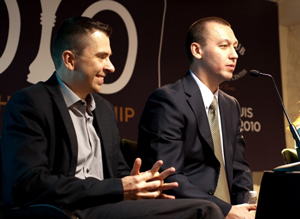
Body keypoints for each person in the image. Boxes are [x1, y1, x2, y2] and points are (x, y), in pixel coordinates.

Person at [0, 16, 225, 218]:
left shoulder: (104, 109)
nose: (111, 67)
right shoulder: (30, 103)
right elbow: (28, 183)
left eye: (110, 57)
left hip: (109, 206)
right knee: (204, 211)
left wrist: (140, 185)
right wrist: (119, 188)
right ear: (69, 59)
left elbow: (118, 173)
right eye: (101, 57)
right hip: (64, 210)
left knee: (193, 206)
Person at [137, 17, 257, 219]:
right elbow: (169, 178)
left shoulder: (231, 105)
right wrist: (226, 211)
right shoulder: (168, 100)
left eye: (235, 47)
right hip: (189, 213)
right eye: (224, 46)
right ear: (197, 50)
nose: (234, 55)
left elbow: (239, 168)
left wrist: (245, 207)